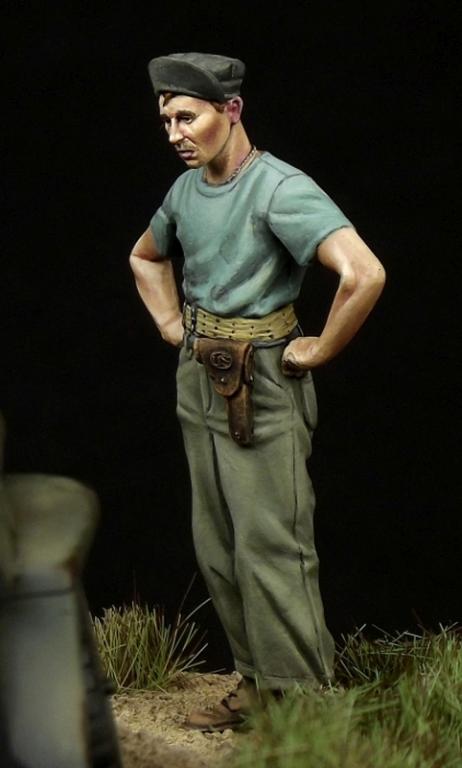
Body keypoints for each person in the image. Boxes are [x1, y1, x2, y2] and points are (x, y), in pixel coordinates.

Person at [129, 52, 385, 731]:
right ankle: (257, 686)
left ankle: (305, 702)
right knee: (218, 545)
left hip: (262, 379)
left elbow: (363, 273)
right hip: (201, 375)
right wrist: (170, 325)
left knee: (273, 545)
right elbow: (145, 256)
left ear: (232, 110)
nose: (175, 133)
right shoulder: (186, 192)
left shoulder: (278, 189)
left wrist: (320, 348)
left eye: (188, 117)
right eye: (166, 120)